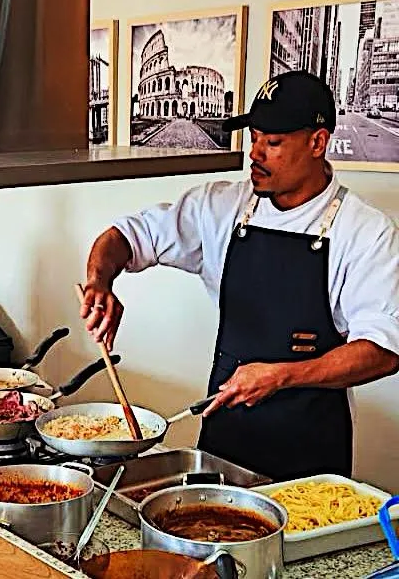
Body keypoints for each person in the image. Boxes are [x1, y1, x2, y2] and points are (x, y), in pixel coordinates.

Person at [80, 71, 399, 481]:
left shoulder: (365, 231)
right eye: (254, 137)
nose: (255, 153)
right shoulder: (221, 206)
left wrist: (282, 375)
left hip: (309, 458)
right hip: (224, 441)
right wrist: (100, 282)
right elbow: (125, 235)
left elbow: (382, 351)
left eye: (273, 142)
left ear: (317, 143)